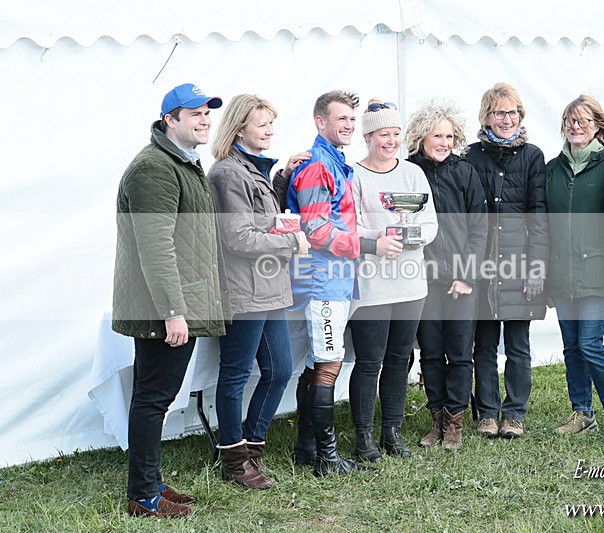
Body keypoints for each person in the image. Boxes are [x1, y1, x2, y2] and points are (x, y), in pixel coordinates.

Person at [113, 83, 227, 518]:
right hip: (163, 308)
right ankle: (143, 495)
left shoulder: (182, 163)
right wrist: (172, 313)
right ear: (169, 120)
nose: (204, 120)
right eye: (193, 113)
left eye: (207, 113)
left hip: (181, 302)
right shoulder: (154, 168)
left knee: (155, 396)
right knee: (153, 399)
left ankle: (151, 483)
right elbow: (156, 246)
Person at [286, 90, 398, 476]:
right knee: (328, 365)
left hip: (336, 280)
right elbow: (316, 229)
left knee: (319, 362)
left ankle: (306, 448)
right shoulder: (318, 165)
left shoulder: (335, 162)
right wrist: (369, 245)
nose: (349, 125)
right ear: (321, 122)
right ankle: (327, 458)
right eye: (341, 119)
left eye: (352, 119)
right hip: (323, 281)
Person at [207, 94, 311, 489]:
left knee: (280, 369)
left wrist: (282, 178)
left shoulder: (253, 171)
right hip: (245, 291)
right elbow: (237, 238)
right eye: (262, 123)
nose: (270, 130)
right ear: (239, 128)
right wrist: (291, 242)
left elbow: (265, 220)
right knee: (234, 375)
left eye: (271, 123)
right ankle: (235, 462)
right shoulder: (227, 174)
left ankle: (251, 448)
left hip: (269, 289)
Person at [348, 100, 438, 462]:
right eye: (384, 134)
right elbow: (348, 226)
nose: (391, 141)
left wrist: (413, 237)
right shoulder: (354, 175)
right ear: (368, 136)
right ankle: (364, 436)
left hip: (410, 282)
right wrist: (377, 238)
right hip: (371, 283)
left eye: (396, 134)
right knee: (370, 361)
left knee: (401, 358)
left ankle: (392, 431)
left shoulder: (414, 174)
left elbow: (430, 223)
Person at [545, 95, 604, 440]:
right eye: (570, 121)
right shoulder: (553, 169)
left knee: (590, 343)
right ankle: (582, 412)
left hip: (598, 272)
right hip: (561, 273)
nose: (575, 127)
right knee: (571, 346)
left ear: (598, 124)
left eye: (583, 121)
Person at [465, 82, 548, 439]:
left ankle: (514, 413)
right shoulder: (470, 156)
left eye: (512, 112)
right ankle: (487, 412)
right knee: (483, 345)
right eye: (499, 112)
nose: (506, 118)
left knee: (517, 345)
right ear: (487, 116)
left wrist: (537, 267)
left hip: (519, 261)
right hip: (482, 262)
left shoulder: (532, 156)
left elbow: (540, 215)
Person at [405, 101, 487, 450]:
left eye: (449, 136)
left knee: (460, 351)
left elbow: (480, 229)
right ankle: (436, 418)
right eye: (437, 135)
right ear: (422, 136)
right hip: (422, 278)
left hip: (460, 280)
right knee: (431, 353)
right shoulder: (408, 172)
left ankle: (455, 421)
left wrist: (465, 275)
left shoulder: (465, 172)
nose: (444, 142)